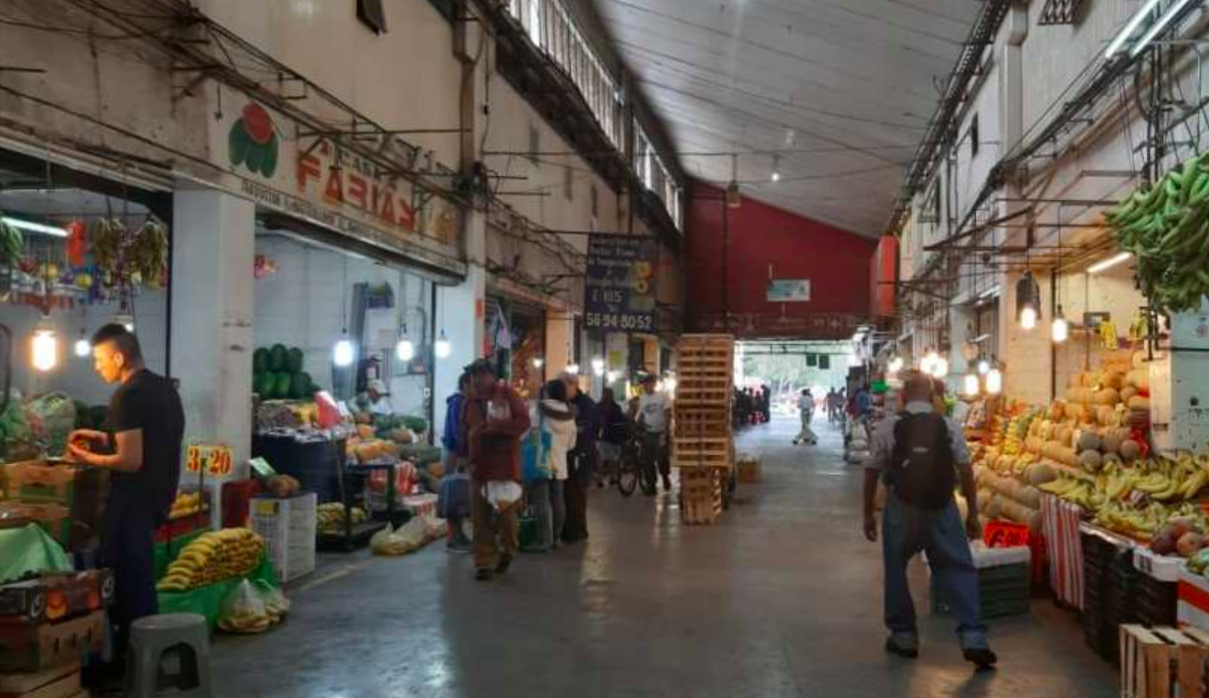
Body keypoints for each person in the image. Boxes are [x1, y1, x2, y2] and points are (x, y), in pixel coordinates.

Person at [67, 324, 185, 668]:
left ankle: (137, 667)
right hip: (157, 498)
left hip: (132, 502)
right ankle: (143, 663)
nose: (97, 366)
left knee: (130, 587)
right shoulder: (164, 389)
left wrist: (87, 458)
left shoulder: (126, 395)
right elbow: (148, 440)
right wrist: (100, 437)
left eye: (99, 359)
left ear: (118, 357)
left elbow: (130, 461)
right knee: (138, 580)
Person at [862, 373, 997, 669]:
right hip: (942, 507)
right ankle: (973, 637)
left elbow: (871, 470)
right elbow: (965, 471)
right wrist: (973, 513)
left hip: (902, 508)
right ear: (933, 397)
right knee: (958, 568)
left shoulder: (889, 427)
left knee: (896, 569)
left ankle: (904, 637)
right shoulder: (948, 426)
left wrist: (868, 512)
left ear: (903, 397)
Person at [461, 359, 531, 581]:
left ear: (492, 376)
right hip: (478, 468)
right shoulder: (469, 402)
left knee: (507, 518)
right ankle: (484, 563)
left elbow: (524, 422)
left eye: (481, 375)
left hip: (504, 468)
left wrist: (497, 427)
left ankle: (508, 550)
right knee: (480, 518)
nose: (477, 380)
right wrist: (464, 456)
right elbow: (466, 430)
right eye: (474, 376)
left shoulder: (508, 394)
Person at [526, 379, 575, 552]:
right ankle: (556, 538)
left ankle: (543, 540)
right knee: (558, 500)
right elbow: (571, 444)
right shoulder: (569, 414)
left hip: (542, 459)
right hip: (560, 462)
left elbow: (530, 434)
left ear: (547, 392)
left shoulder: (539, 410)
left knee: (541, 501)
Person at [562, 374, 600, 543]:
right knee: (568, 493)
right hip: (568, 453)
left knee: (577, 493)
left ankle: (578, 530)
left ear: (573, 385)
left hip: (581, 454)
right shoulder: (565, 403)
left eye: (563, 386)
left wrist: (570, 428)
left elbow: (586, 429)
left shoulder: (586, 404)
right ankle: (569, 528)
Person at [441, 373, 473, 552]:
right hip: (454, 454)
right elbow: (456, 431)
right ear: (466, 385)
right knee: (454, 496)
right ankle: (454, 538)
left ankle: (458, 535)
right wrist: (461, 454)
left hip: (457, 453)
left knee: (459, 496)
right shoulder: (457, 402)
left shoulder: (463, 402)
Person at [637, 374, 672, 493]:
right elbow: (642, 413)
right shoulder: (642, 398)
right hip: (649, 432)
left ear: (653, 384)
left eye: (648, 384)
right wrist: (638, 422)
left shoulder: (663, 396)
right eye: (644, 384)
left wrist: (666, 430)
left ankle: (665, 476)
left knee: (662, 458)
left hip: (661, 432)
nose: (645, 386)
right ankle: (651, 485)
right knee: (648, 460)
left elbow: (668, 412)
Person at [597, 388, 628, 485]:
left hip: (603, 436)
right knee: (612, 459)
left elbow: (596, 421)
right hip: (613, 437)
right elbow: (620, 420)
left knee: (602, 459)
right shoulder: (616, 407)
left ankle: (600, 479)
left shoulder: (598, 406)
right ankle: (612, 477)